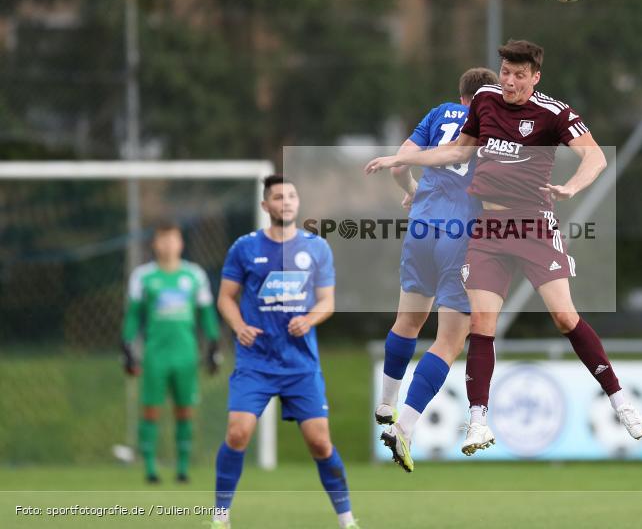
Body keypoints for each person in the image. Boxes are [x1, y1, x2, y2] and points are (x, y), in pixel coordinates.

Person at [366, 39, 642, 456]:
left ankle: (619, 400)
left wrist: (571, 187)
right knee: (481, 323)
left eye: (519, 75)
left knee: (563, 317)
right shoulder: (484, 99)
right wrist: (404, 159)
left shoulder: (555, 113)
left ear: (535, 77)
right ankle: (477, 421)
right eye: (506, 72)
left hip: (532, 223)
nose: (510, 82)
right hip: (488, 228)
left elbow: (595, 158)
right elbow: (460, 150)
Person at [210, 175, 358, 529]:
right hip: (256, 361)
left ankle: (347, 519)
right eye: (278, 197)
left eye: (291, 195)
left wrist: (309, 319)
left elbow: (327, 302)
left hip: (300, 364)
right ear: (265, 206)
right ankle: (220, 516)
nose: (286, 202)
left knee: (320, 444)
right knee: (237, 433)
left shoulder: (316, 247)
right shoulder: (244, 247)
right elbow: (225, 298)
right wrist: (240, 326)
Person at [376, 67, 499, 473]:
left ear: (461, 95)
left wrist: (412, 193)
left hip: (421, 229)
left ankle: (386, 403)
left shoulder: (438, 114)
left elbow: (400, 166)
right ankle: (405, 429)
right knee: (449, 341)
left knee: (407, 322)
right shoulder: (496, 127)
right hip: (460, 238)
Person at [122, 222, 221, 484]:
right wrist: (127, 345)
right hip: (155, 354)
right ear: (155, 244)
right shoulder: (143, 276)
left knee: (185, 410)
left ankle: (183, 469)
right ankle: (151, 469)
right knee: (151, 410)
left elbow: (206, 314)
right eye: (162, 240)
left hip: (186, 354)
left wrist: (213, 345)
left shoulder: (194, 275)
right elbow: (133, 315)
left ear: (181, 243)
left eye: (173, 239)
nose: (168, 245)